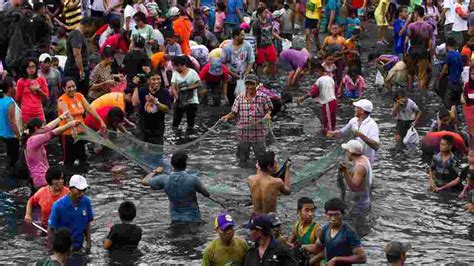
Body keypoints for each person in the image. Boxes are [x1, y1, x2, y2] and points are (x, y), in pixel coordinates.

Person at [141, 152, 211, 223]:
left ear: (172, 164)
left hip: (175, 218)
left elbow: (144, 181)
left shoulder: (164, 179)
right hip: (192, 217)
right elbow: (206, 194)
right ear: (185, 165)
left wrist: (154, 172)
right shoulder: (193, 179)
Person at [221, 74, 273, 167]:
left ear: (257, 84)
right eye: (247, 84)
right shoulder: (240, 97)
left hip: (259, 133)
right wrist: (227, 117)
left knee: (261, 158)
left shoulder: (263, 97)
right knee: (242, 159)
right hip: (243, 133)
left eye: (252, 84)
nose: (249, 86)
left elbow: (268, 110)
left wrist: (268, 117)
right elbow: (234, 113)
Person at [57, 78, 106, 169]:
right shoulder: (62, 100)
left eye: (73, 86)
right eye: (69, 87)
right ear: (64, 89)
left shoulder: (79, 96)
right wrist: (73, 129)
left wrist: (101, 121)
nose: (72, 89)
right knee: (68, 161)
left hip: (81, 133)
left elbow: (90, 109)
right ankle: (68, 180)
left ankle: (82, 178)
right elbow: (67, 115)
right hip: (67, 134)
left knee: (82, 158)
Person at [304, 198, 367, 265]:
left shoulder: (349, 232)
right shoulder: (325, 229)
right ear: (326, 214)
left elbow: (362, 258)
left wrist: (337, 259)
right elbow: (317, 248)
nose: (333, 219)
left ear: (343, 214)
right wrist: (302, 247)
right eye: (330, 215)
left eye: (336, 215)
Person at [25, 115, 79, 189]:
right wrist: (69, 125)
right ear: (36, 128)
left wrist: (61, 117)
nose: (45, 128)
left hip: (40, 177)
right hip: (41, 179)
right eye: (43, 127)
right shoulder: (34, 140)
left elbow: (49, 127)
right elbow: (52, 133)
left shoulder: (32, 137)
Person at [327, 99, 380, 167]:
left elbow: (376, 146)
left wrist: (361, 136)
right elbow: (342, 132)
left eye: (356, 108)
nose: (354, 109)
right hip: (353, 158)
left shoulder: (372, 125)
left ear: (362, 111)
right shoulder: (353, 121)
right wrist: (334, 133)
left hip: (365, 161)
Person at [48, 174, 93, 252]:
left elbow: (88, 223)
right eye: (79, 191)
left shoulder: (86, 201)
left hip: (79, 246)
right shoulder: (58, 205)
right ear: (70, 188)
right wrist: (51, 249)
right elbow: (51, 228)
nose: (81, 194)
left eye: (84, 190)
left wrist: (88, 243)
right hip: (63, 249)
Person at [297, 63, 338, 134]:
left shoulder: (319, 80)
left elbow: (313, 93)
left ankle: (329, 137)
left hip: (327, 103)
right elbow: (335, 89)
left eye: (316, 72)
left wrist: (303, 98)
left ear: (320, 71)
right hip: (334, 101)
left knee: (327, 124)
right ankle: (331, 134)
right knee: (332, 122)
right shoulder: (330, 78)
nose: (316, 74)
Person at [247, 151, 292, 216]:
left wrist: (260, 166)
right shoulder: (277, 182)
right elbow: (288, 191)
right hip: (270, 219)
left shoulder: (250, 179)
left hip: (255, 218)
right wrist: (287, 169)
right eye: (276, 163)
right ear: (270, 167)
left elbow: (260, 175)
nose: (278, 165)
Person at [135, 73, 171, 144]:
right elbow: (135, 103)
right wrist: (135, 86)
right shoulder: (142, 90)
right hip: (143, 124)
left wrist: (155, 102)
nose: (157, 81)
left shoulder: (164, 92)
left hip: (158, 126)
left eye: (158, 79)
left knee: (157, 150)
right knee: (139, 147)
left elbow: (167, 109)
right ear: (148, 81)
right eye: (153, 79)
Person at [221, 29, 255, 106]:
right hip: (231, 74)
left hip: (244, 73)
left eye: (244, 35)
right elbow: (223, 63)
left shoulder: (247, 46)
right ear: (236, 36)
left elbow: (251, 60)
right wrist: (232, 73)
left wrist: (246, 73)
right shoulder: (227, 48)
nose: (244, 37)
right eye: (242, 35)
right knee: (231, 96)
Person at [170, 55, 201, 134]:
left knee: (190, 123)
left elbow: (199, 84)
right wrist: (176, 96)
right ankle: (177, 138)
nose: (174, 68)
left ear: (180, 65)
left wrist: (188, 88)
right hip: (179, 101)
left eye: (175, 66)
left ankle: (189, 138)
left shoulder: (192, 72)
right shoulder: (175, 73)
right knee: (175, 122)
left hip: (192, 101)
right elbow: (173, 87)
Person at [339, 140, 372, 213]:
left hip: (359, 205)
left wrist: (345, 171)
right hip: (364, 200)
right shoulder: (364, 158)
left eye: (346, 151)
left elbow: (354, 187)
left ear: (350, 153)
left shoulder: (360, 167)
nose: (346, 153)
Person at [406, 6, 433, 90]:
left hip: (412, 50)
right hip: (423, 51)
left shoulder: (411, 26)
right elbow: (430, 43)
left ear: (416, 14)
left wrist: (405, 52)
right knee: (422, 75)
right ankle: (421, 94)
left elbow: (406, 41)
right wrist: (431, 55)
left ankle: (410, 90)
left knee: (410, 73)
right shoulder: (429, 26)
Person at [16, 58, 49, 125]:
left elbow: (46, 97)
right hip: (26, 114)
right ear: (25, 68)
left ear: (36, 67)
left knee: (42, 132)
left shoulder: (41, 79)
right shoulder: (21, 81)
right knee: (27, 134)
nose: (31, 69)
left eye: (33, 66)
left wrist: (39, 90)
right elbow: (17, 99)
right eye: (29, 67)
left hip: (39, 112)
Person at [65, 17, 91, 95]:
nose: (90, 31)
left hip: (77, 69)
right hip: (75, 70)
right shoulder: (76, 34)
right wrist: (81, 70)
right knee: (76, 94)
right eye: (90, 27)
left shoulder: (79, 35)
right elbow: (77, 53)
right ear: (87, 25)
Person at [252, 6, 280, 78]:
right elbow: (254, 37)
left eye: (267, 13)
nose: (267, 14)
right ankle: (259, 78)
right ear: (260, 14)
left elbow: (272, 32)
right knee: (260, 64)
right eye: (265, 13)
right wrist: (255, 49)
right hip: (260, 47)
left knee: (273, 61)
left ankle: (271, 76)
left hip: (270, 45)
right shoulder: (255, 24)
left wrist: (280, 38)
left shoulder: (269, 21)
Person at [0, 77, 20, 171]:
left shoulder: (1, 100)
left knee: (7, 158)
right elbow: (12, 122)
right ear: (9, 88)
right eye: (15, 86)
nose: (16, 88)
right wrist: (19, 136)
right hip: (11, 136)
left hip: (2, 134)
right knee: (13, 160)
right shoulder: (10, 102)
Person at [439, 37, 463, 108]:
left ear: (446, 45)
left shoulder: (448, 55)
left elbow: (444, 69)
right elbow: (461, 68)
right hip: (458, 81)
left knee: (448, 101)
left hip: (451, 81)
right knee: (457, 101)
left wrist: (440, 77)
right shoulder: (458, 54)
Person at [38, 53, 62, 121]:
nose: (47, 64)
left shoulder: (56, 73)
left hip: (54, 105)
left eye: (48, 62)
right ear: (40, 64)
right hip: (42, 106)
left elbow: (60, 87)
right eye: (45, 62)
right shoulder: (37, 75)